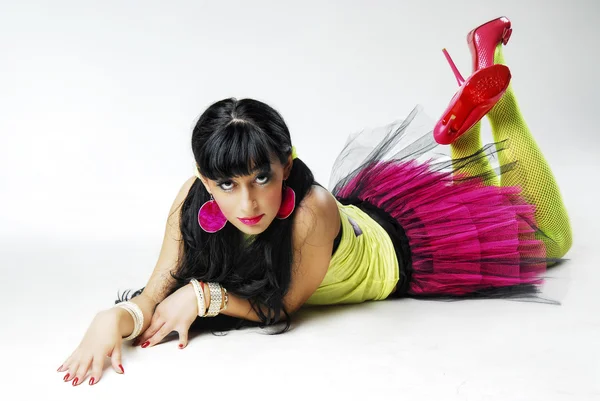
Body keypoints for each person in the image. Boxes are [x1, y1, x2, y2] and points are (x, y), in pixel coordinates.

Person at [56, 16, 572, 387]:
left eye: (263, 176)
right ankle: (466, 124)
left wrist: (204, 297)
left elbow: (277, 308)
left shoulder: (309, 211)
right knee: (485, 205)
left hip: (401, 255)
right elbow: (150, 299)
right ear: (205, 181)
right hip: (361, 222)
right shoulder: (189, 201)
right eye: (227, 185)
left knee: (551, 241)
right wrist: (112, 318)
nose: (249, 202)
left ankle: (497, 103)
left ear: (288, 163)